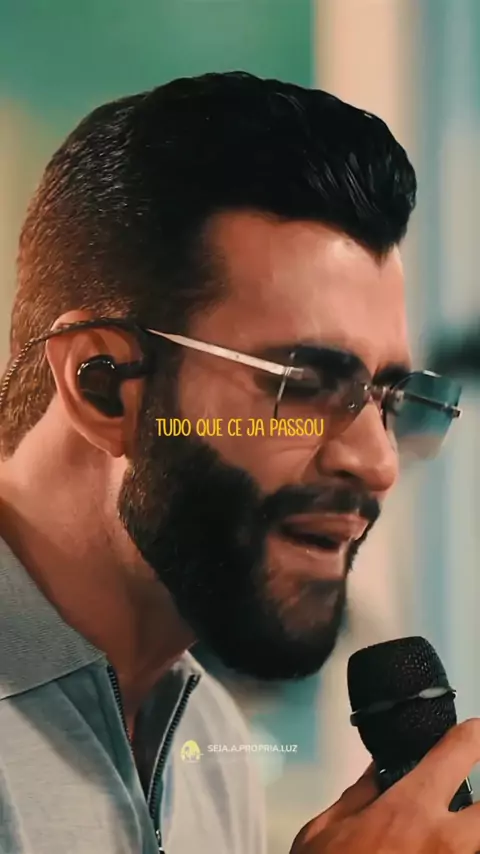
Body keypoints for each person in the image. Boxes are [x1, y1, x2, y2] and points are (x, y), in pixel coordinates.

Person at [0, 70, 474, 854]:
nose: (377, 463)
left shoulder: (207, 743)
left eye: (388, 399)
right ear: (103, 385)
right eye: (305, 384)